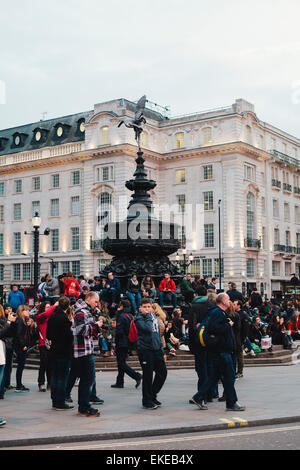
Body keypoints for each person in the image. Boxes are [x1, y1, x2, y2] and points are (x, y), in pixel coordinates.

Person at [192, 293, 245, 412]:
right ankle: (231, 403)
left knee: (213, 377)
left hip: (220, 351)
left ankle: (199, 397)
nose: (229, 300)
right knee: (229, 377)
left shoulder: (219, 312)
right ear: (222, 301)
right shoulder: (217, 312)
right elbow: (213, 328)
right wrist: (228, 324)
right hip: (221, 351)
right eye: (227, 299)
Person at [72, 291, 103, 417]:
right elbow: (81, 330)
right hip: (83, 350)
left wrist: (96, 327)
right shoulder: (81, 311)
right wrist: (96, 326)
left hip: (87, 348)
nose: (97, 304)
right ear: (88, 299)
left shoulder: (86, 310)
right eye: (95, 301)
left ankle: (84, 406)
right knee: (87, 379)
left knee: (87, 379)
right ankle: (84, 408)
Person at [134, 298, 168, 410]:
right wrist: (149, 316)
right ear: (140, 308)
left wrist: (160, 346)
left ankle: (152, 395)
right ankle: (147, 400)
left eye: (149, 307)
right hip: (145, 350)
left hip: (156, 349)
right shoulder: (138, 318)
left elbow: (157, 332)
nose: (147, 309)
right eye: (145, 307)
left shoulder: (154, 317)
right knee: (148, 375)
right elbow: (148, 329)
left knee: (163, 372)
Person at [46, 296, 74, 410]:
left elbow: (48, 335)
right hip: (64, 351)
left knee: (54, 375)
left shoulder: (52, 317)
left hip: (54, 349)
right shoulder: (64, 318)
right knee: (62, 377)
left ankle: (54, 399)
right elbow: (68, 336)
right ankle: (60, 401)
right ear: (67, 306)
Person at [111, 305, 142, 389]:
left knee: (121, 363)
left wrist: (116, 328)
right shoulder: (130, 316)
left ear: (121, 306)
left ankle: (136, 375)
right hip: (128, 342)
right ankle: (119, 382)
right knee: (121, 362)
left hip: (121, 343)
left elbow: (119, 332)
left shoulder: (121, 316)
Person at [14, 305, 38, 392]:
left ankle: (19, 384)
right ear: (22, 311)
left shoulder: (23, 320)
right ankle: (19, 385)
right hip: (21, 347)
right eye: (27, 310)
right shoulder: (20, 320)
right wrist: (23, 344)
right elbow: (19, 334)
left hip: (22, 346)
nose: (28, 312)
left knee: (21, 366)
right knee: (20, 366)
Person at [35, 301, 56, 392]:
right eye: (47, 307)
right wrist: (54, 306)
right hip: (43, 343)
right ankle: (41, 382)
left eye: (49, 307)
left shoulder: (52, 317)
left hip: (51, 344)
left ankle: (50, 383)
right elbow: (46, 314)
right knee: (43, 364)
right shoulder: (39, 317)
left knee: (50, 365)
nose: (48, 308)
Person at [0, 309, 17, 399]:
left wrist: (12, 322)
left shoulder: (3, 322)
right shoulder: (4, 322)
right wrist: (9, 322)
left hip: (4, 349)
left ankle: (2, 391)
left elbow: (12, 332)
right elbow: (1, 333)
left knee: (3, 370)